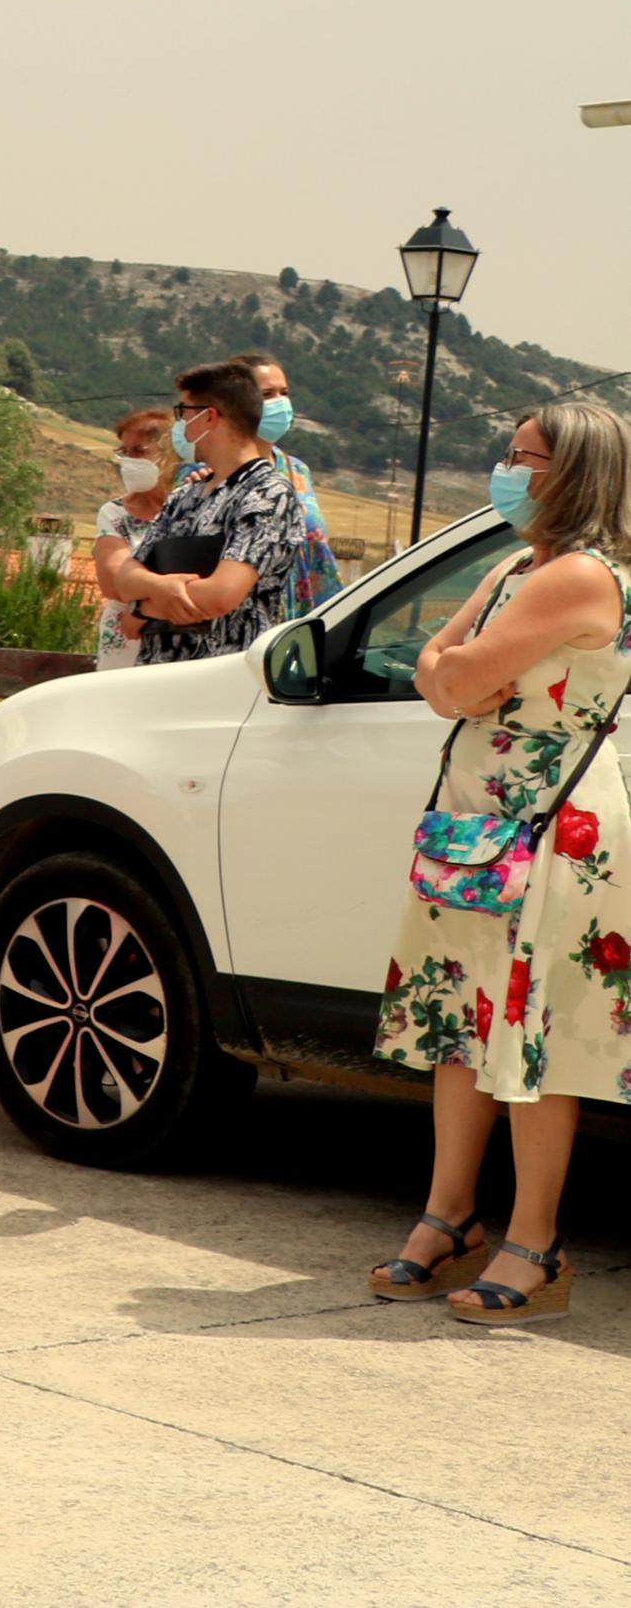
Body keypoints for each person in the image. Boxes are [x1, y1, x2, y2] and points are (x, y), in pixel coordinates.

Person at [368, 400, 631, 1327]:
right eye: (509, 452)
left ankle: (535, 1241)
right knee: (460, 1021)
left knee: (531, 1035)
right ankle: (449, 1219)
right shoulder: (518, 564)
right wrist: (451, 667)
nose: (507, 470)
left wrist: (453, 667)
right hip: (478, 822)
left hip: (549, 830)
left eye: (527, 457)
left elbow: (454, 677)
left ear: (578, 472)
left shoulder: (577, 577)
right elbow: (436, 674)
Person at [103, 360, 304, 668]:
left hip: (220, 680)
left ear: (209, 417)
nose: (179, 424)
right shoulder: (187, 495)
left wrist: (144, 606)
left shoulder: (267, 494)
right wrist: (161, 588)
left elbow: (220, 596)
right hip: (158, 676)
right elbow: (126, 579)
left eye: (184, 412)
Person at [231, 349, 343, 612]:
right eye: (267, 394)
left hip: (298, 622)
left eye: (284, 393)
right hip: (242, 624)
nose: (280, 402)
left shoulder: (298, 471)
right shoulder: (212, 474)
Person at [90, 408, 178, 672]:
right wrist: (169, 590)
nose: (129, 461)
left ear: (170, 455)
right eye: (124, 452)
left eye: (139, 451)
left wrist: (142, 605)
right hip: (127, 646)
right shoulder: (114, 513)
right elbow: (114, 581)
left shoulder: (198, 506)